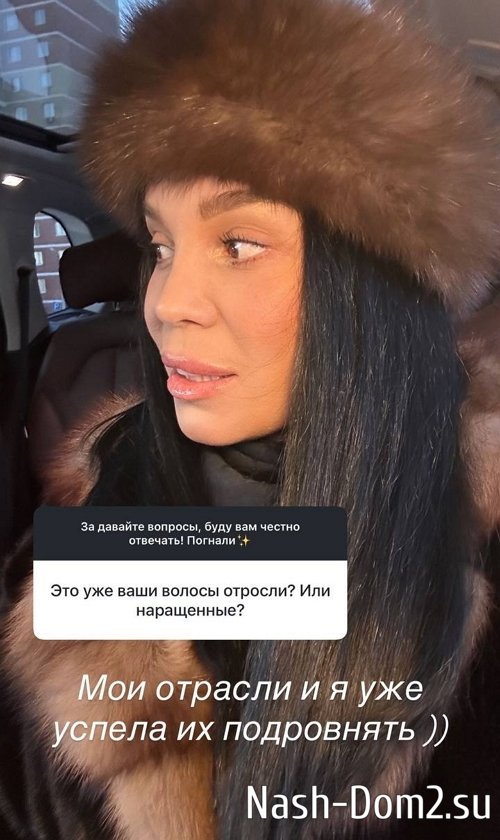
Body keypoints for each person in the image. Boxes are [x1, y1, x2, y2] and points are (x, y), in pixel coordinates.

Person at [1, 1, 500, 838]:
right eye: (161, 247)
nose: (167, 303)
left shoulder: (471, 534)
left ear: (371, 288)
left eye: (238, 244)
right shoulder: (104, 500)